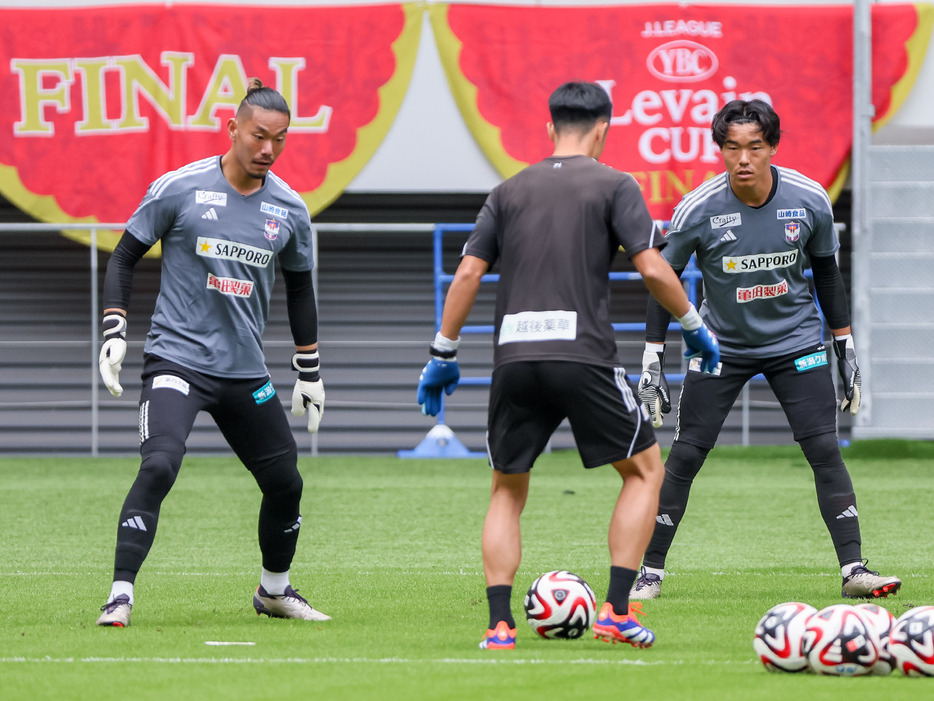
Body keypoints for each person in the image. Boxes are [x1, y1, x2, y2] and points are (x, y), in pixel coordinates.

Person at [416, 81, 719, 650]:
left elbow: (466, 276)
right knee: (646, 472)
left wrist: (443, 353)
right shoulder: (615, 184)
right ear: (604, 129)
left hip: (515, 359)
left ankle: (500, 626)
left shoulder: (507, 191)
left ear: (549, 128)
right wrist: (694, 327)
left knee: (507, 490)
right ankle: (617, 612)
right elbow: (653, 269)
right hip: (584, 357)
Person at [632, 99, 901, 601]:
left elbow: (826, 274)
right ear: (720, 151)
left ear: (773, 147)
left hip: (795, 342)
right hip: (720, 347)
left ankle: (854, 570)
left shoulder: (811, 200)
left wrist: (845, 347)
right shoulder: (697, 208)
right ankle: (649, 573)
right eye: (732, 148)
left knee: (824, 448)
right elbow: (660, 278)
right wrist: (653, 358)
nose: (743, 159)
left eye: (755, 146)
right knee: (686, 454)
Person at [95, 78, 328, 627]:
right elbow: (123, 256)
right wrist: (113, 330)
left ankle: (274, 591)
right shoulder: (179, 188)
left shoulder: (291, 210)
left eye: (280, 139)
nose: (268, 149)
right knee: (160, 465)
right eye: (258, 136)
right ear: (233, 129)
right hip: (176, 360)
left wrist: (309, 369)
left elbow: (300, 289)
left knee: (286, 482)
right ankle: (120, 595)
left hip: (244, 372)